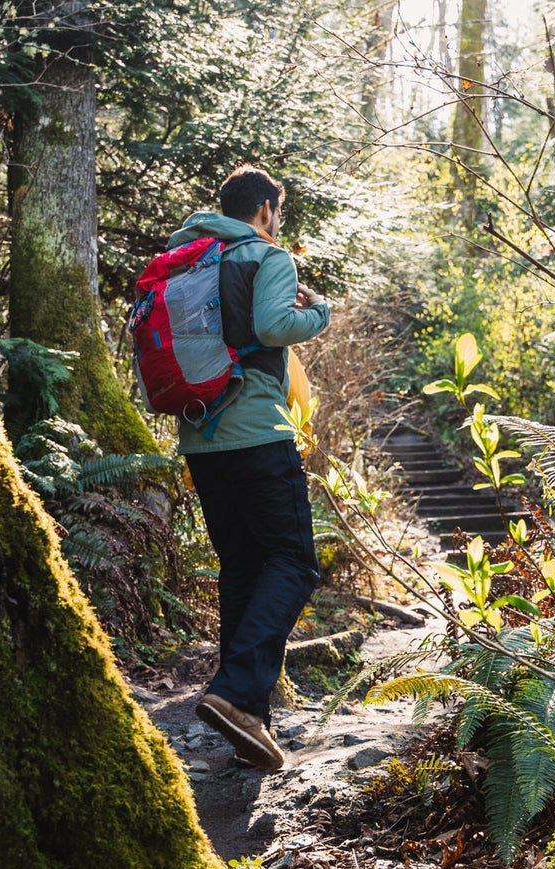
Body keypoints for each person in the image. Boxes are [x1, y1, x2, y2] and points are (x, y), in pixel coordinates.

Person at [175, 164, 330, 770]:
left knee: (241, 564)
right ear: (265, 208)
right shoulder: (268, 256)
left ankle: (250, 722)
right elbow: (272, 326)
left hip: (199, 438)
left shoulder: (188, 258)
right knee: (293, 560)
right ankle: (236, 692)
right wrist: (319, 313)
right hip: (257, 435)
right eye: (279, 213)